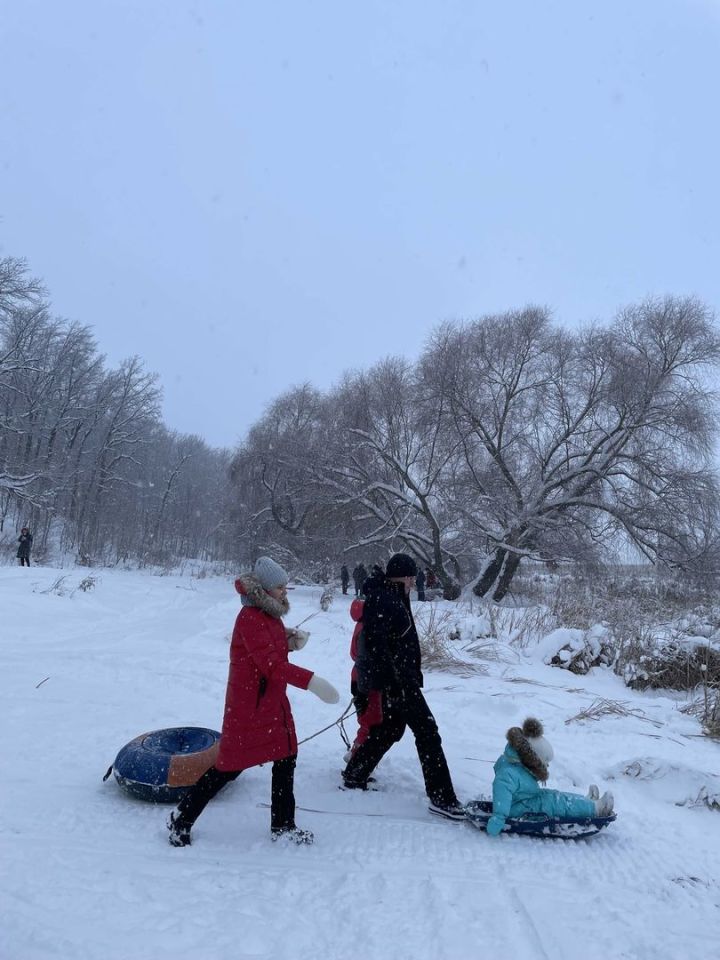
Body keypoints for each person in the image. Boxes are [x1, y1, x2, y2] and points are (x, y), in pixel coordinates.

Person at [166, 556, 340, 848]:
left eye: (286, 586)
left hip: (271, 704)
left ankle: (283, 826)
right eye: (280, 587)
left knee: (286, 759)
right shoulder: (250, 617)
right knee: (228, 768)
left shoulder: (268, 615)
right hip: (250, 709)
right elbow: (270, 664)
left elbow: (268, 648)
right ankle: (181, 819)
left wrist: (288, 640)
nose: (285, 591)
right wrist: (312, 682)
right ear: (265, 589)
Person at [342, 553, 465, 820]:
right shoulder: (386, 599)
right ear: (405, 577)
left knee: (391, 728)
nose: (414, 581)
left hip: (399, 679)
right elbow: (377, 646)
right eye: (412, 576)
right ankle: (441, 798)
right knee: (427, 731)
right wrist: (395, 682)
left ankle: (355, 774)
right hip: (398, 682)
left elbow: (396, 641)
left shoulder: (392, 595)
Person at [486, 717, 614, 837]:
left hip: (528, 799)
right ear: (532, 759)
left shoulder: (517, 764)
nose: (546, 765)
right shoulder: (509, 773)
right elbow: (502, 796)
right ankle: (595, 810)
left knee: (557, 796)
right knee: (556, 804)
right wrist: (498, 819)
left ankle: (588, 803)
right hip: (519, 808)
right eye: (544, 762)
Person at [343, 595, 384, 762]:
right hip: (365, 681)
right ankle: (356, 755)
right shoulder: (368, 629)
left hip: (357, 679)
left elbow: (353, 654)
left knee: (367, 720)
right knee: (369, 721)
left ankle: (358, 753)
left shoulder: (360, 625)